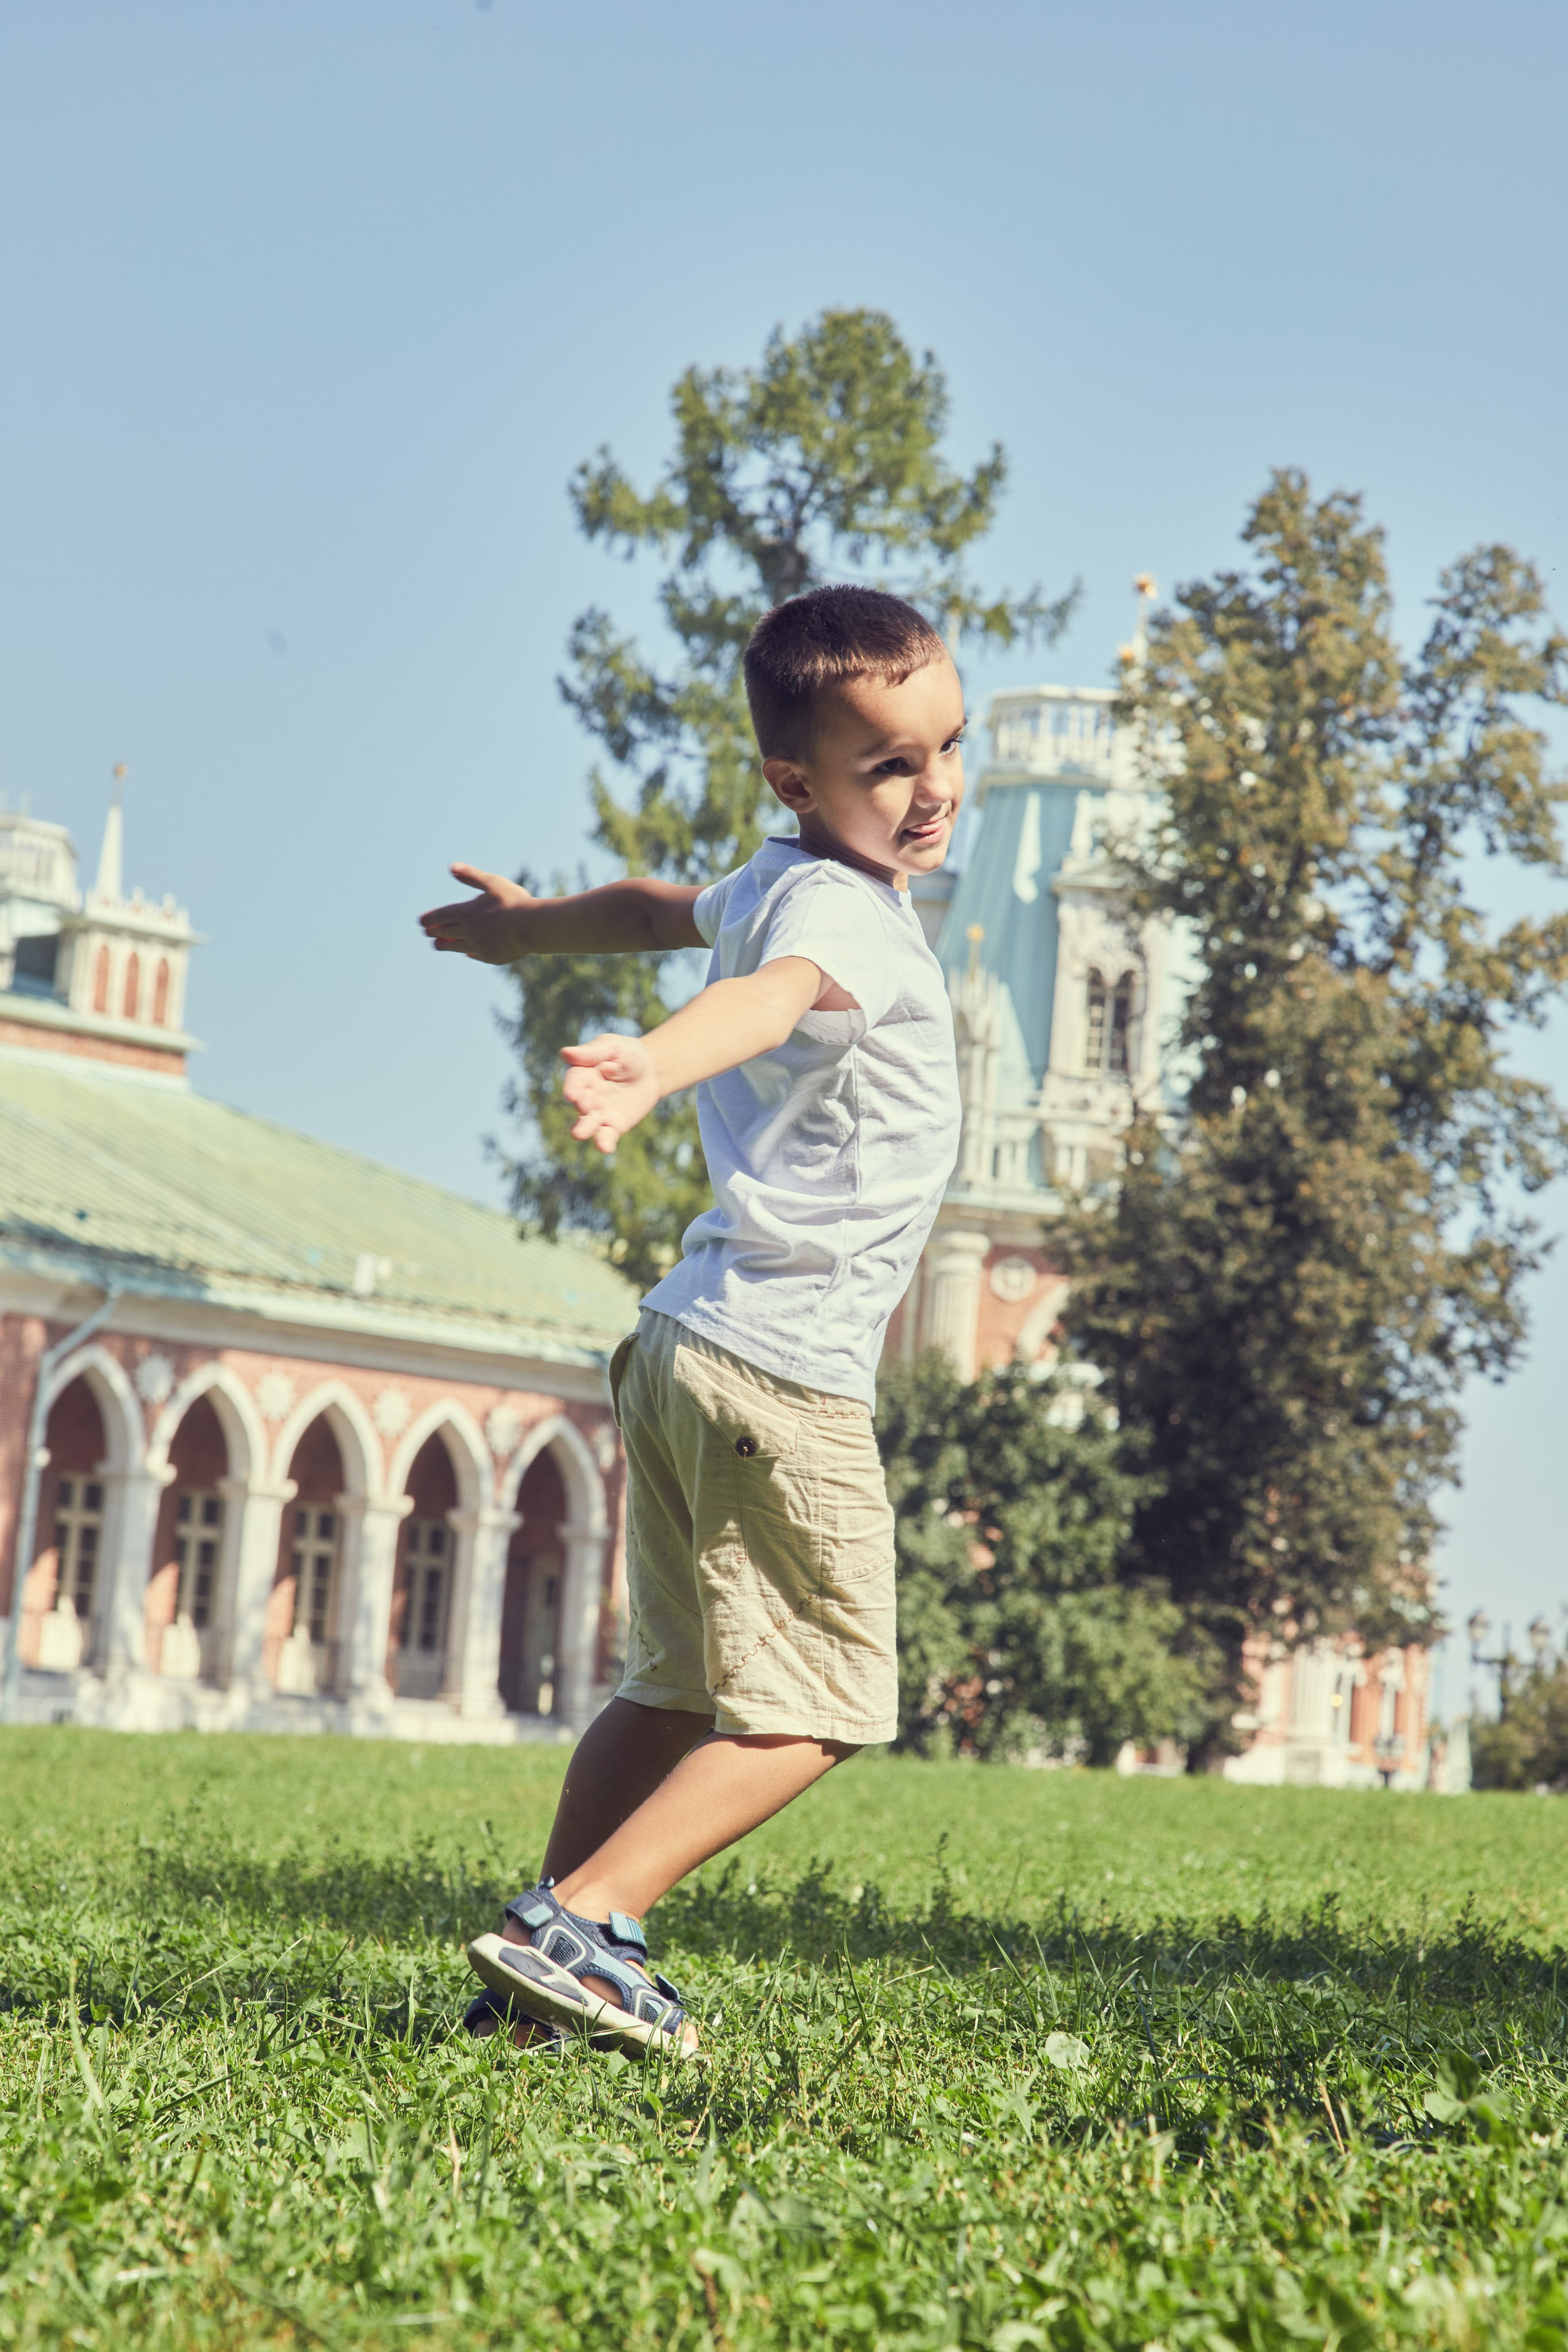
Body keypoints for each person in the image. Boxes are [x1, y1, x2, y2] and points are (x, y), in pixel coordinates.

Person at [419, 584, 964, 2058]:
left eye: (944, 747)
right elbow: (767, 1002)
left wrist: (530, 933)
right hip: (779, 1374)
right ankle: (589, 1925)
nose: (931, 790)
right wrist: (654, 1069)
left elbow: (671, 913)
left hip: (684, 1344)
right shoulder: (834, 921)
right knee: (834, 1696)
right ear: (796, 780)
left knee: (671, 1688)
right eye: (889, 767)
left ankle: (534, 1975)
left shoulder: (781, 875)